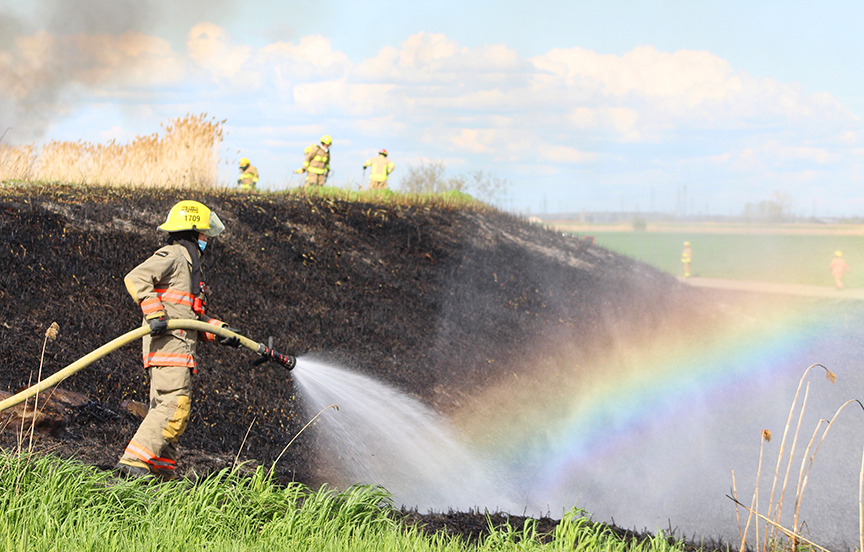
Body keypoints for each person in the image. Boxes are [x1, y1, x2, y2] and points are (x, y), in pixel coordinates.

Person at [115, 200, 241, 480]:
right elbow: (136, 278)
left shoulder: (189, 265)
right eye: (205, 234)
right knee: (175, 405)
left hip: (178, 347)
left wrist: (221, 331)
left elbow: (189, 314)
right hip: (169, 346)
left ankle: (161, 472)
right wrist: (154, 311)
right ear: (193, 231)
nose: (208, 239)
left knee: (168, 409)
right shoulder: (173, 255)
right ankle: (134, 461)